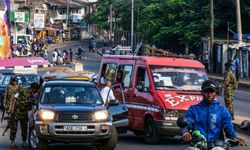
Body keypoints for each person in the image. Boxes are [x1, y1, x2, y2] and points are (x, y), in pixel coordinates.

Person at [181, 80, 246, 148]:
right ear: (202, 92)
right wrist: (185, 132)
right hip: (198, 145)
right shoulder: (193, 109)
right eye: (206, 92)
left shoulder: (222, 110)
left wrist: (234, 137)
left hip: (217, 146)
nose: (209, 94)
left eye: (212, 91)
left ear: (216, 93)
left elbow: (228, 126)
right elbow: (186, 122)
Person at [7, 82, 39, 149]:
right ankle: (12, 142)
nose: (36, 91)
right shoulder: (22, 90)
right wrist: (11, 108)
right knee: (14, 127)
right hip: (16, 112)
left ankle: (24, 142)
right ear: (33, 88)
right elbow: (14, 97)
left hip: (24, 113)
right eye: (36, 90)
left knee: (24, 128)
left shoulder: (33, 95)